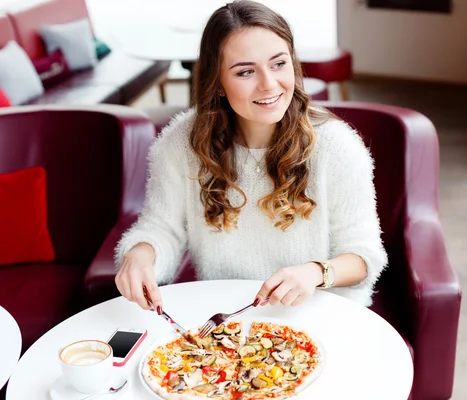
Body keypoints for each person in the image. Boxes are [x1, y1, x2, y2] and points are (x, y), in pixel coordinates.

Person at [114, 0, 387, 314]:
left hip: (321, 315)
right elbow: (162, 228)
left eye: (279, 64)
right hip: (227, 318)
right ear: (217, 83)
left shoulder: (337, 146)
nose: (269, 84)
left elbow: (365, 256)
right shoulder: (181, 143)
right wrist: (139, 256)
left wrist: (315, 272)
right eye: (245, 71)